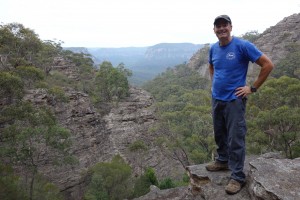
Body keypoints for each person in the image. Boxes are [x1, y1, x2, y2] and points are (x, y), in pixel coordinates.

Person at [206, 15, 274, 195]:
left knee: (235, 137)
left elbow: (267, 65)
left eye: (224, 25)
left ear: (230, 27)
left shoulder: (243, 46)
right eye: (218, 26)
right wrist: (214, 85)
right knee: (219, 132)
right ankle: (222, 160)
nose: (221, 29)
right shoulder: (213, 48)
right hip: (217, 98)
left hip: (234, 100)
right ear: (214, 30)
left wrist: (252, 88)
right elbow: (212, 66)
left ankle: (237, 176)